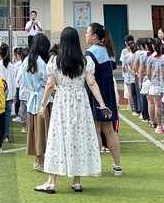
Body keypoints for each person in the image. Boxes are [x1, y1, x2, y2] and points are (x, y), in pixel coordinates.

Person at [36, 27, 112, 194]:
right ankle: (77, 181)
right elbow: (92, 83)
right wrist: (102, 103)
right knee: (79, 138)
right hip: (80, 102)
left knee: (58, 137)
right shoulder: (85, 61)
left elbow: (50, 85)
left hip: (62, 102)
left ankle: (51, 182)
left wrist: (43, 105)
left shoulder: (55, 61)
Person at [22, 33, 51, 171]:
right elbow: (47, 82)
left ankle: (37, 160)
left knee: (35, 130)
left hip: (31, 99)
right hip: (42, 99)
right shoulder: (42, 63)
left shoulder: (26, 61)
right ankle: (42, 161)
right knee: (43, 130)